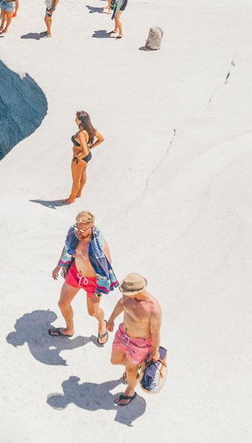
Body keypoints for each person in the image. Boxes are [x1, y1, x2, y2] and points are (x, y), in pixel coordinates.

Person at [49, 210, 120, 345]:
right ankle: (69, 329)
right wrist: (58, 267)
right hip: (76, 274)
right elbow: (67, 250)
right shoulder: (74, 236)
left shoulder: (100, 246)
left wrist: (99, 290)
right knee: (62, 304)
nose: (79, 231)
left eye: (83, 229)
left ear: (91, 227)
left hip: (93, 283)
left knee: (92, 312)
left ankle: (102, 324)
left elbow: (106, 269)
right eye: (78, 227)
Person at [107, 274, 163, 406]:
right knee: (115, 361)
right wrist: (111, 320)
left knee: (130, 370)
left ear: (138, 291)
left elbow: (155, 333)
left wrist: (155, 352)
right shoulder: (127, 295)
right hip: (122, 335)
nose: (124, 294)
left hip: (140, 345)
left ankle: (130, 391)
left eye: (126, 292)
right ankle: (134, 367)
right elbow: (121, 304)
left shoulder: (153, 309)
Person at [66, 111, 104, 204]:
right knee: (83, 175)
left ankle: (71, 199)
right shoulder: (90, 129)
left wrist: (78, 157)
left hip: (80, 159)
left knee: (76, 180)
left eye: (76, 118)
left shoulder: (81, 134)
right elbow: (101, 139)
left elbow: (85, 151)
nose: (75, 120)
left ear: (81, 121)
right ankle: (78, 193)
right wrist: (90, 147)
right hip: (86, 158)